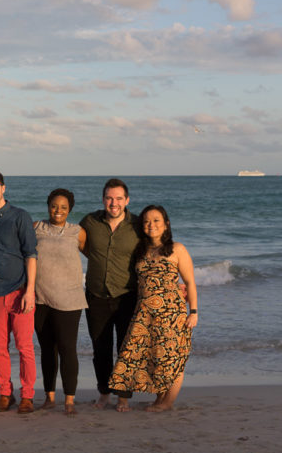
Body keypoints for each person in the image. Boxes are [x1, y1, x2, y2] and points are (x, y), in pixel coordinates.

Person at [109, 205, 198, 411]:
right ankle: (159, 399)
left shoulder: (178, 249)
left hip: (172, 314)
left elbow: (190, 282)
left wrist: (193, 311)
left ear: (166, 224)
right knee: (157, 357)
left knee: (173, 359)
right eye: (147, 221)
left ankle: (167, 402)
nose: (151, 225)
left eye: (156, 220)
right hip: (145, 314)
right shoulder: (141, 250)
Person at [80, 178, 140, 412]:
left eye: (118, 198)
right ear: (102, 199)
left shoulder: (136, 225)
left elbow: (152, 252)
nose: (113, 203)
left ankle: (123, 396)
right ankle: (104, 393)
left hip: (127, 296)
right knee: (100, 349)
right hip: (96, 296)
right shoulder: (90, 221)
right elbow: (83, 246)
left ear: (126, 200)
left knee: (126, 349)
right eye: (109, 198)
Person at [0, 169, 37, 414]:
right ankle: (5, 393)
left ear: (3, 188)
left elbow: (31, 255)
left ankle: (27, 395)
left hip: (19, 290)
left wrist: (30, 290)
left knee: (24, 347)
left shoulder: (20, 216)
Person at [34, 188, 88, 415]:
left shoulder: (77, 232)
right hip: (40, 299)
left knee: (67, 349)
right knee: (47, 349)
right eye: (54, 206)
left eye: (63, 207)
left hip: (70, 300)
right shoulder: (36, 228)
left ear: (70, 210)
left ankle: (69, 399)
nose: (58, 210)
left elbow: (94, 256)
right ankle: (49, 397)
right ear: (48, 206)